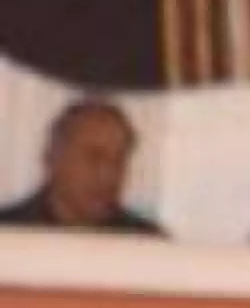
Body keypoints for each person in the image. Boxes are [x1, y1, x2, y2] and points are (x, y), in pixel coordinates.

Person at [0, 99, 164, 233]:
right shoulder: (9, 232)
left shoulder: (145, 242)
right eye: (94, 157)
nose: (108, 174)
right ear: (52, 159)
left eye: (119, 160)